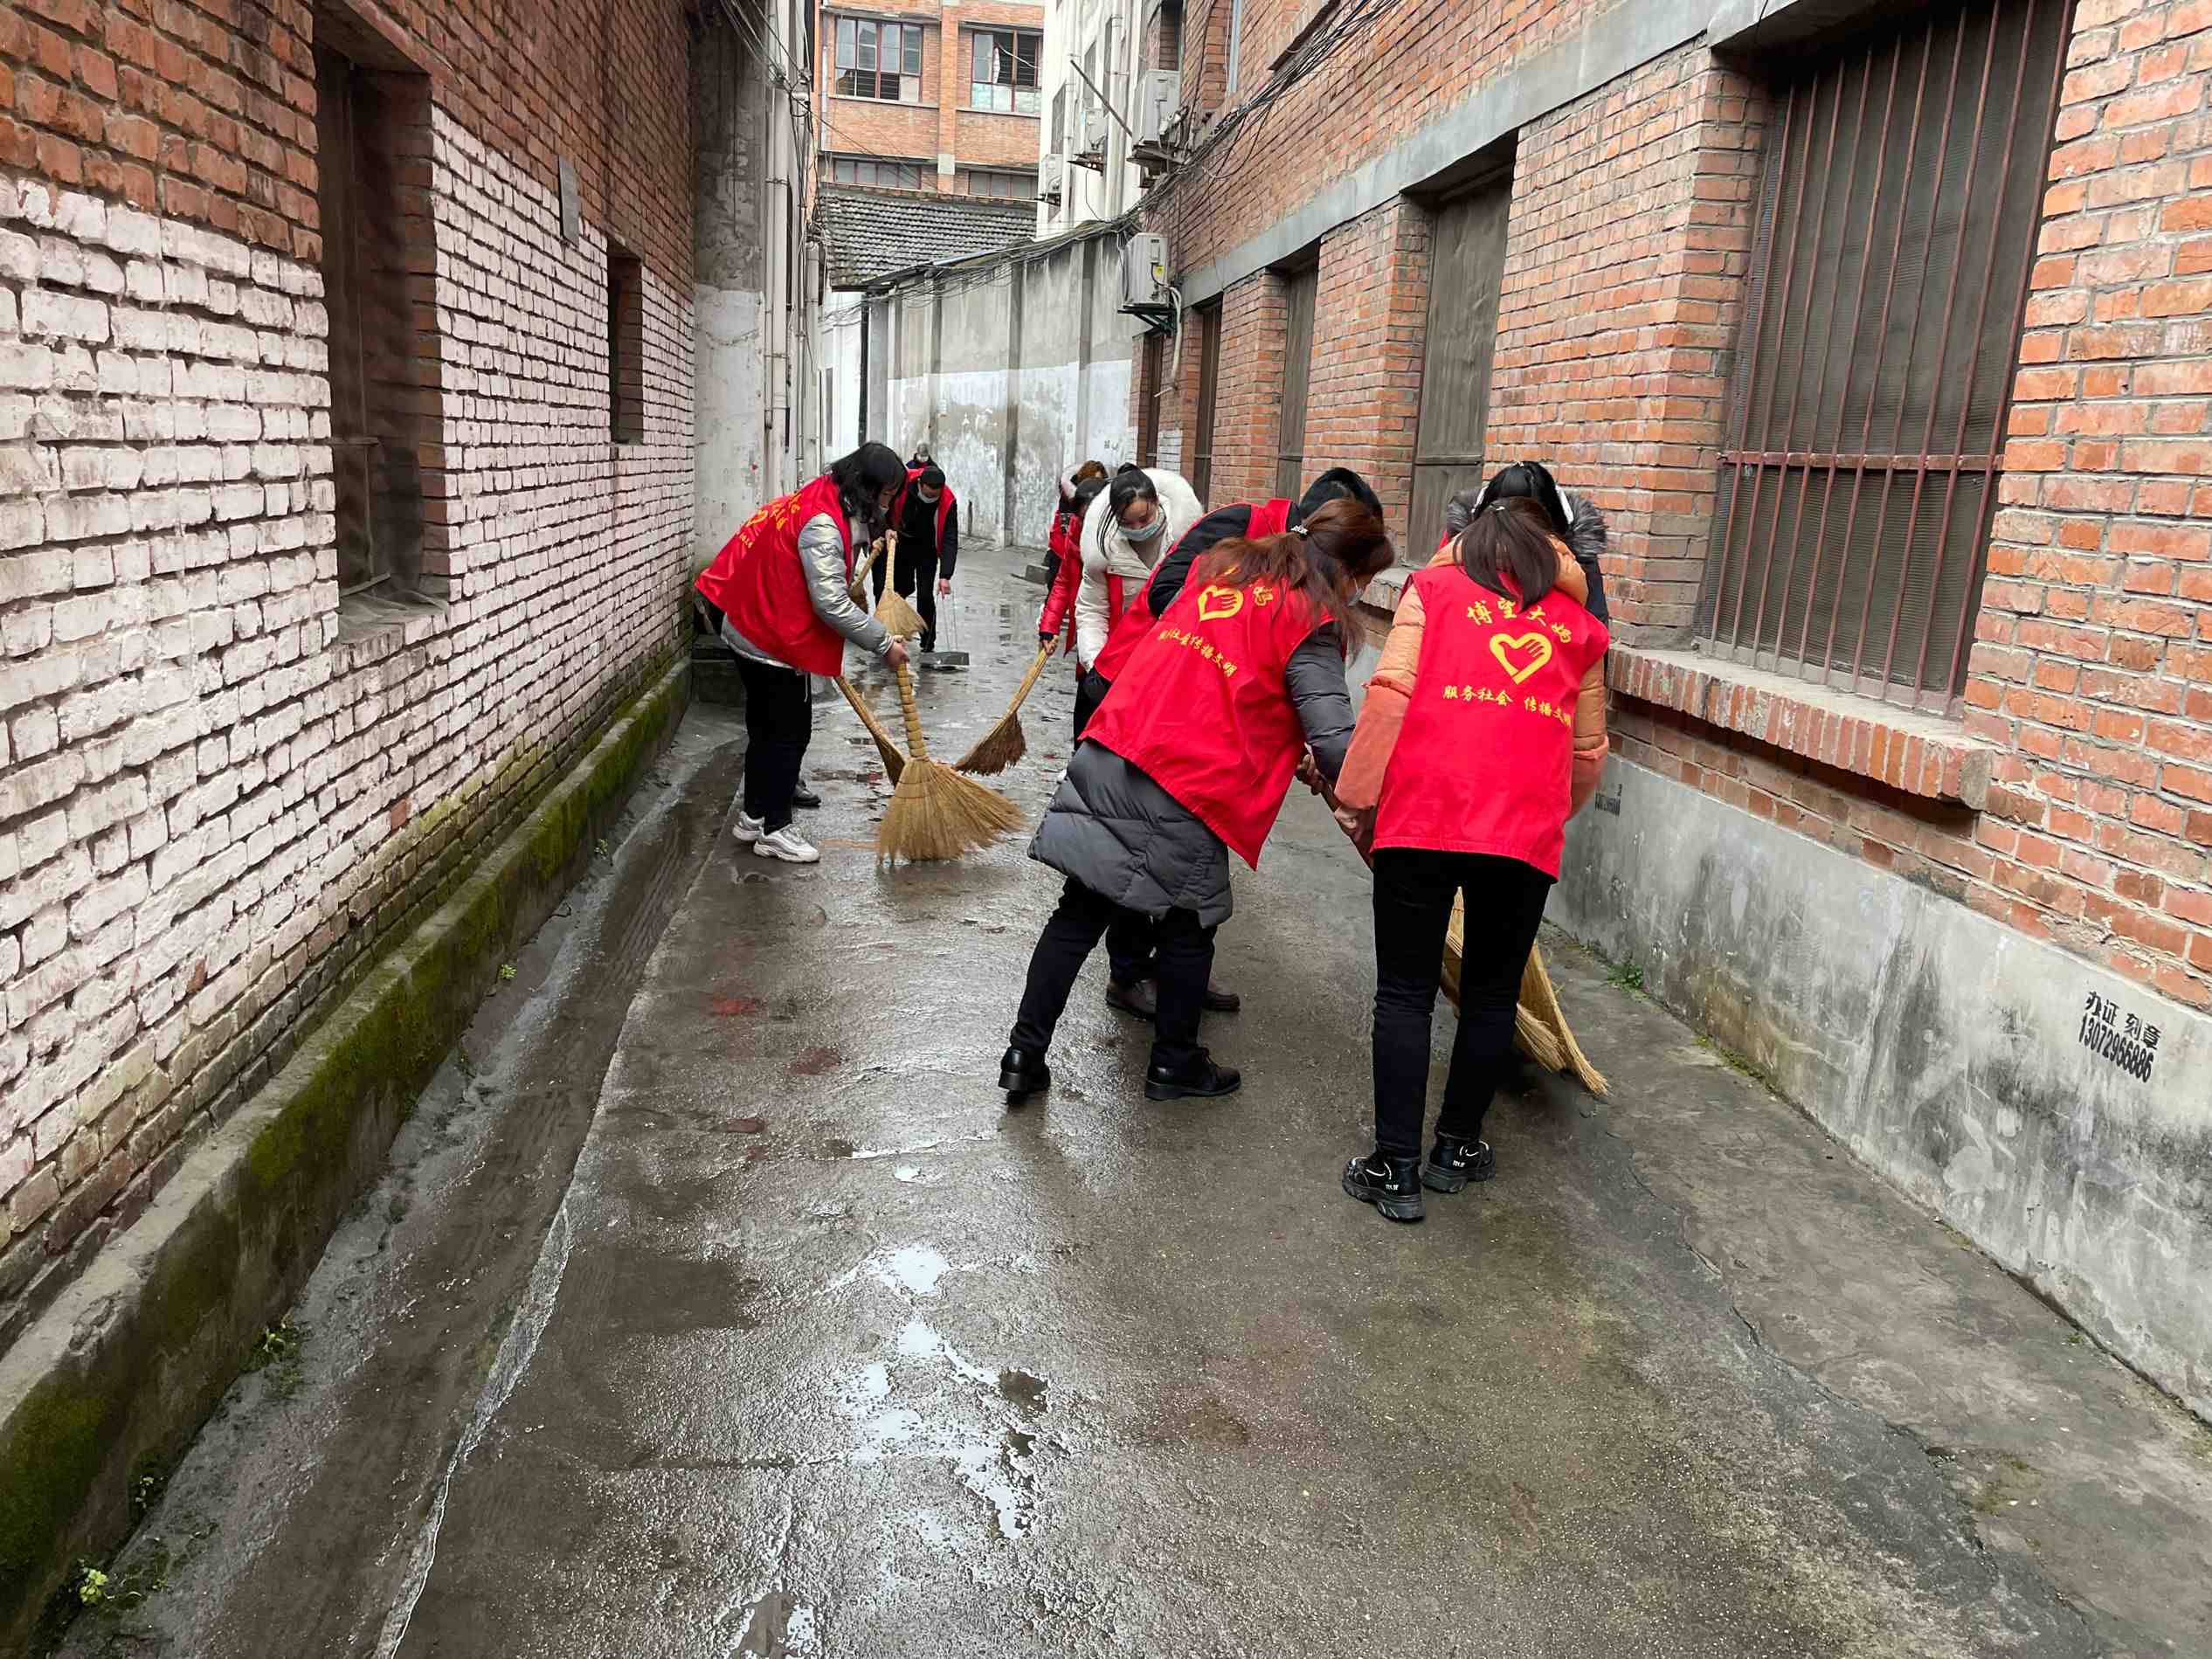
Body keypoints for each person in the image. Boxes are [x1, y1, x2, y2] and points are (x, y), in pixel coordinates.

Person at [998, 497, 1397, 1105]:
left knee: (1077, 913)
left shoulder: (1226, 572)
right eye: (1363, 580)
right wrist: (1379, 808)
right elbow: (1338, 741)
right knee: (1190, 922)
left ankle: (1023, 1056)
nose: (1359, 594)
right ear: (1346, 570)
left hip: (1116, 744)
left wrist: (1290, 747)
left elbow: (1226, 678)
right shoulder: (1310, 619)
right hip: (1184, 780)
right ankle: (1174, 1063)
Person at [1329, 496, 1611, 1223]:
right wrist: (1544, 812)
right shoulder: (1582, 628)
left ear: (1467, 541)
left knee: (1404, 991)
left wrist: (1356, 796)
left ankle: (1394, 1167)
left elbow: (1389, 697)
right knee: (1492, 993)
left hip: (1423, 814)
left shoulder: (1432, 591)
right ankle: (1456, 1148)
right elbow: (1587, 753)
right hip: (1522, 833)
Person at [1077, 467, 1384, 1019]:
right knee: (1130, 857)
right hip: (1140, 688)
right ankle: (1131, 975)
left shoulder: (1297, 579)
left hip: (1196, 709)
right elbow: (1170, 594)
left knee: (1186, 865)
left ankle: (1179, 977)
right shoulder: (1240, 530)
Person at [694, 443, 912, 864]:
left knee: (764, 728)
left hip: (750, 624)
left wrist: (876, 531)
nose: (887, 503)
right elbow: (830, 603)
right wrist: (884, 643)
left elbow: (845, 539)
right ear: (868, 488)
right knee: (789, 734)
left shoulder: (824, 491)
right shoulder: (823, 524)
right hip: (772, 639)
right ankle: (776, 829)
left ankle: (754, 815)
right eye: (886, 494)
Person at [1069, 466, 1207, 735]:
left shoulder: (1188, 544)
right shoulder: (1104, 550)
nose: (1138, 528)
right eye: (1128, 523)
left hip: (1173, 665)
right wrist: (1097, 664)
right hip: (1120, 664)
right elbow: (1091, 610)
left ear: (1156, 502)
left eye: (1144, 519)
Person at [1444, 460, 1609, 626]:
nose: (1516, 540)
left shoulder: (1577, 559)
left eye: (1528, 531)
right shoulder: (1457, 548)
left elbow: (1595, 624)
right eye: (1506, 526)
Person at [875, 462, 959, 653]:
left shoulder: (948, 501)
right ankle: (893, 634)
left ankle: (928, 643)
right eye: (927, 495)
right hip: (900, 542)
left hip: (927, 550)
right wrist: (886, 529)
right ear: (920, 484)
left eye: (934, 497)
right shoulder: (902, 483)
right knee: (898, 590)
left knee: (925, 595)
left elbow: (950, 537)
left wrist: (945, 575)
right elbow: (884, 507)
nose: (930, 499)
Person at [1040, 469, 1109, 656]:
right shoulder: (1076, 534)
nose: (1089, 523)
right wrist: (1049, 627)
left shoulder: (1119, 539)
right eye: (1084, 518)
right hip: (1088, 629)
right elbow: (1063, 582)